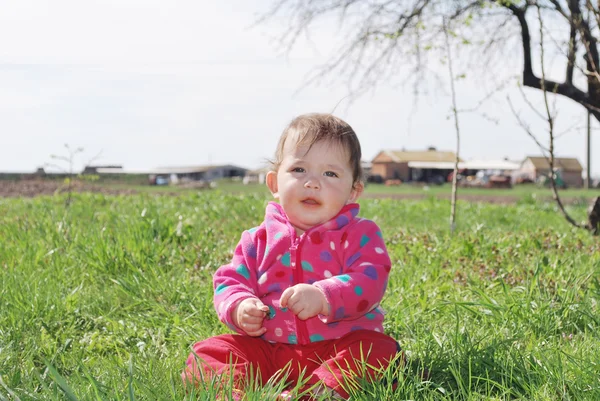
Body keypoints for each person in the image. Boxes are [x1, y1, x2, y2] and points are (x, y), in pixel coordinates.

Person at [183, 113, 400, 400]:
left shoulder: (360, 235)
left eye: (330, 174)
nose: (312, 183)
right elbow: (230, 280)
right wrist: (239, 306)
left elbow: (370, 279)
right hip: (270, 350)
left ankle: (320, 393)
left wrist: (325, 297)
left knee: (380, 350)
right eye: (299, 170)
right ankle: (238, 394)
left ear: (353, 191)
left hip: (338, 346)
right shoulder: (257, 240)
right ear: (274, 182)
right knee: (208, 353)